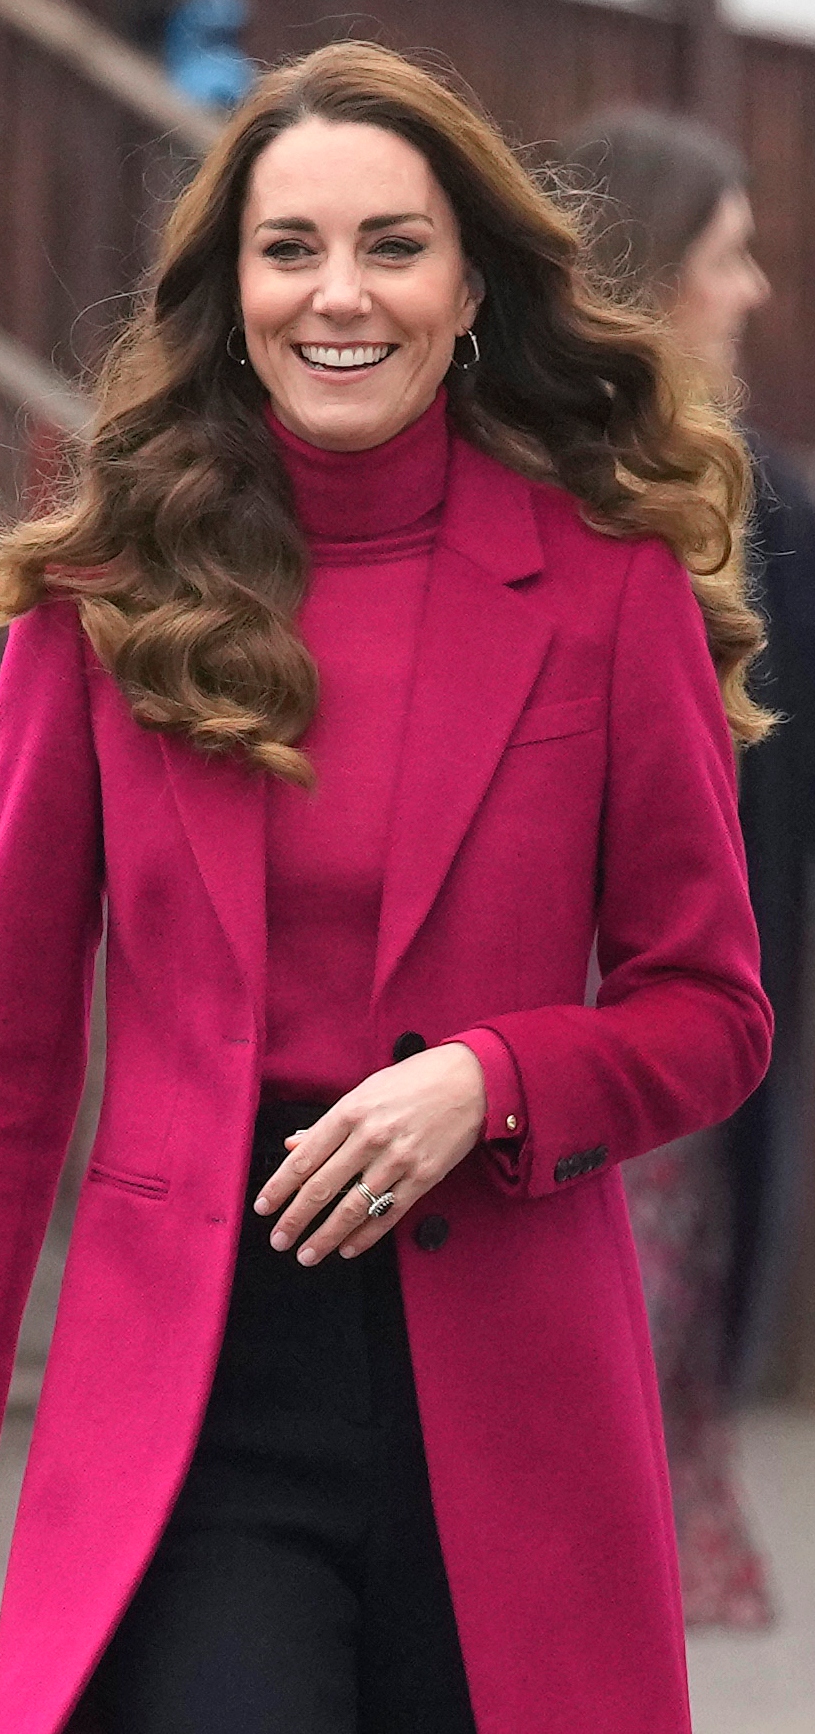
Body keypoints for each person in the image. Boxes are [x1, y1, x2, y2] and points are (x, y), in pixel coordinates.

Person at [0, 44, 773, 1734]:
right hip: (200, 1405)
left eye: (391, 246)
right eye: (290, 249)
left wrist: (495, 1076)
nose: (338, 294)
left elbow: (712, 1010)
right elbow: (1, 1053)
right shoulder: (104, 599)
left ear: (469, 289)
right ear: (234, 294)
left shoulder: (610, 583)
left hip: (514, 1405)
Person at [558, 106, 815, 1627]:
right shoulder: (511, 471)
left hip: (679, 1014)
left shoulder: (762, 502)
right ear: (649, 270)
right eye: (729, 255)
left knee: (622, 1421)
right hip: (523, 1010)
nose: (755, 289)